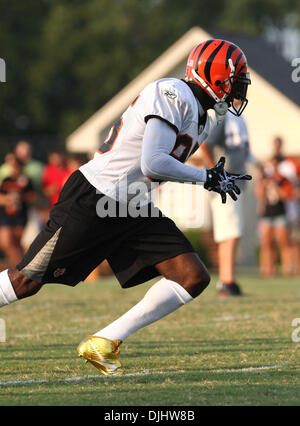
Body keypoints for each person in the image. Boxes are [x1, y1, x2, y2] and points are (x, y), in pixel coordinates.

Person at [0, 39, 251, 376]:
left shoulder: (203, 120)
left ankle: (104, 342)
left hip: (133, 205)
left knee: (192, 276)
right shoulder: (173, 93)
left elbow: (155, 170)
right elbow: (153, 163)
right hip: (96, 197)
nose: (236, 93)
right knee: (25, 281)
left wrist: (206, 177)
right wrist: (205, 177)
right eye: (234, 84)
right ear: (215, 76)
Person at [194, 99, 253, 296]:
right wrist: (217, 175)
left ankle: (227, 279)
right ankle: (227, 280)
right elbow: (205, 145)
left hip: (236, 183)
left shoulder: (239, 117)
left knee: (232, 231)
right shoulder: (223, 117)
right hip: (225, 184)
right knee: (230, 232)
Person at [255, 157, 293, 276]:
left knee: (284, 242)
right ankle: (268, 270)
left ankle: (287, 269)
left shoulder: (283, 180)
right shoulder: (264, 180)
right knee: (266, 243)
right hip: (266, 214)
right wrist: (264, 185)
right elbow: (259, 195)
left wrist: (276, 187)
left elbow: (287, 195)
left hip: (280, 213)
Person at [0, 154, 36, 267]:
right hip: (6, 216)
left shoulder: (26, 180)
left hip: (21, 216)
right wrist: (8, 199)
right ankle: (20, 268)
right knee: (6, 242)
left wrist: (21, 197)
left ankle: (19, 269)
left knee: (17, 245)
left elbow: (33, 197)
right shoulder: (7, 180)